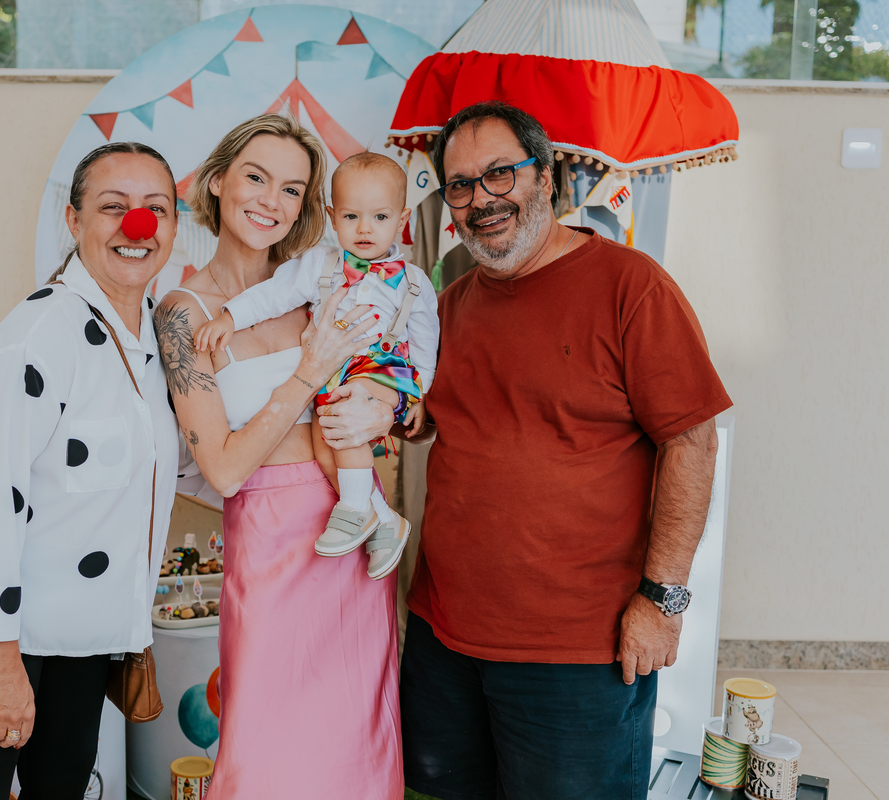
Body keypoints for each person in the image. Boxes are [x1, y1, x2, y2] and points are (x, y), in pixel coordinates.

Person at [399, 101, 733, 799]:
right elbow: (424, 422)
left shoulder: (631, 288)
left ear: (546, 177)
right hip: (444, 640)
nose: (480, 199)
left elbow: (692, 442)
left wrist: (663, 601)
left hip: (579, 655)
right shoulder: (446, 308)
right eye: (459, 185)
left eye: (500, 174)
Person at [0, 142, 182, 800]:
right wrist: (0, 663)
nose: (137, 226)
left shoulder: (149, 344)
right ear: (74, 222)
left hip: (78, 634)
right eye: (113, 207)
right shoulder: (37, 334)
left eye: (155, 209)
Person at [155, 114, 402, 800]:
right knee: (266, 749)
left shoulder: (322, 289)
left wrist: (384, 407)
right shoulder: (183, 311)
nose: (270, 199)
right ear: (217, 181)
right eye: (256, 177)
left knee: (356, 737)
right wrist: (306, 374)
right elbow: (225, 469)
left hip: (352, 527)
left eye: (291, 189)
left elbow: (383, 385)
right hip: (269, 540)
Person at [194, 151, 439, 579]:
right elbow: (273, 296)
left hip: (383, 370)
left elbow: (425, 345)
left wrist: (421, 395)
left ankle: (354, 508)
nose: (365, 229)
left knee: (346, 417)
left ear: (401, 219)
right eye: (351, 216)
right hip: (334, 372)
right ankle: (380, 517)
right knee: (324, 444)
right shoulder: (319, 266)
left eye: (380, 217)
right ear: (331, 215)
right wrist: (230, 317)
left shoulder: (414, 282)